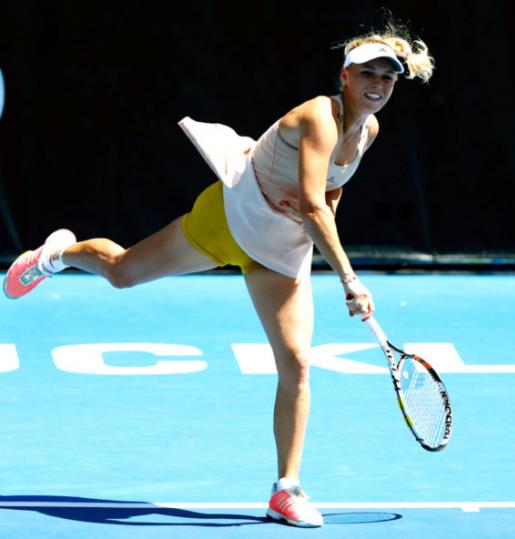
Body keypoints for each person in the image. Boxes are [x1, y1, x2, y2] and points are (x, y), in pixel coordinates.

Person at [3, 23, 433, 528]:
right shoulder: (320, 116)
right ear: (345, 75)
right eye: (367, 72)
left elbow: (330, 193)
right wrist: (350, 279)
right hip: (230, 219)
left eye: (388, 76)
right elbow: (315, 205)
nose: (377, 83)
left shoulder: (369, 130)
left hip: (279, 248)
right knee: (121, 273)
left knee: (296, 362)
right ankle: (57, 255)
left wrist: (318, 228)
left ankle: (286, 489)